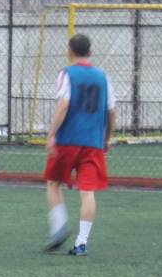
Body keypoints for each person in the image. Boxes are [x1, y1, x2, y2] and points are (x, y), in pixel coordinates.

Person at [43, 33, 116, 256]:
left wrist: (52, 134)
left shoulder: (67, 74)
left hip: (67, 140)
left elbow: (63, 105)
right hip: (93, 142)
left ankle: (59, 227)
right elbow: (111, 111)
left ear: (70, 51)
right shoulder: (103, 77)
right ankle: (81, 243)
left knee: (53, 182)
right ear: (90, 52)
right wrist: (107, 137)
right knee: (87, 191)